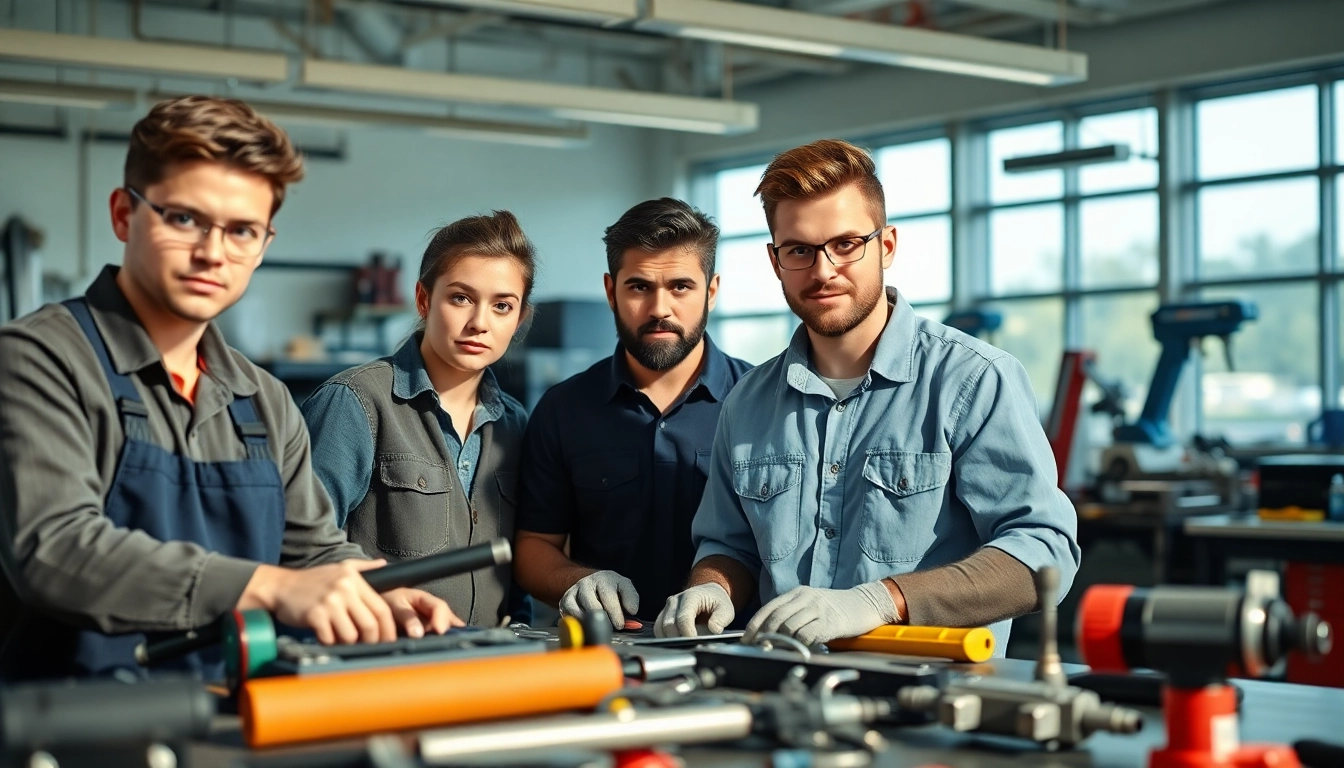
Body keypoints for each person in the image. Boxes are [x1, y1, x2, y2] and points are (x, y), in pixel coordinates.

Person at [0, 96, 456, 681]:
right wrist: (268, 587)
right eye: (184, 218)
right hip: (76, 722)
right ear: (123, 214)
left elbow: (311, 550)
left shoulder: (262, 399)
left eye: (242, 230)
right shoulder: (41, 358)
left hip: (232, 715)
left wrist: (375, 588)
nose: (213, 253)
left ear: (263, 245)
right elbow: (57, 550)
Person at [655, 140, 1080, 649]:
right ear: (775, 261)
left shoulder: (974, 381)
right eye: (799, 250)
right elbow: (730, 544)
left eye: (846, 244)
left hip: (931, 700)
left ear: (887, 246)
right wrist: (713, 588)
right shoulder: (747, 403)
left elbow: (1043, 552)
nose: (824, 270)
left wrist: (881, 601)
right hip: (786, 690)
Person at [513, 198, 752, 630]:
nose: (660, 308)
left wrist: (719, 587)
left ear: (711, 291)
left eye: (680, 286)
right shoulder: (563, 408)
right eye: (640, 287)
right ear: (611, 291)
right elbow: (533, 546)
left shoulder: (762, 402)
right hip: (603, 653)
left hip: (736, 648)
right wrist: (579, 581)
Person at [303, 212, 535, 626]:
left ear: (518, 319)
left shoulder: (515, 424)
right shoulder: (355, 403)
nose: (480, 323)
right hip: (381, 666)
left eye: (502, 306)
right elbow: (302, 547)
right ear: (424, 299)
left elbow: (516, 572)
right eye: (461, 298)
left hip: (490, 665)